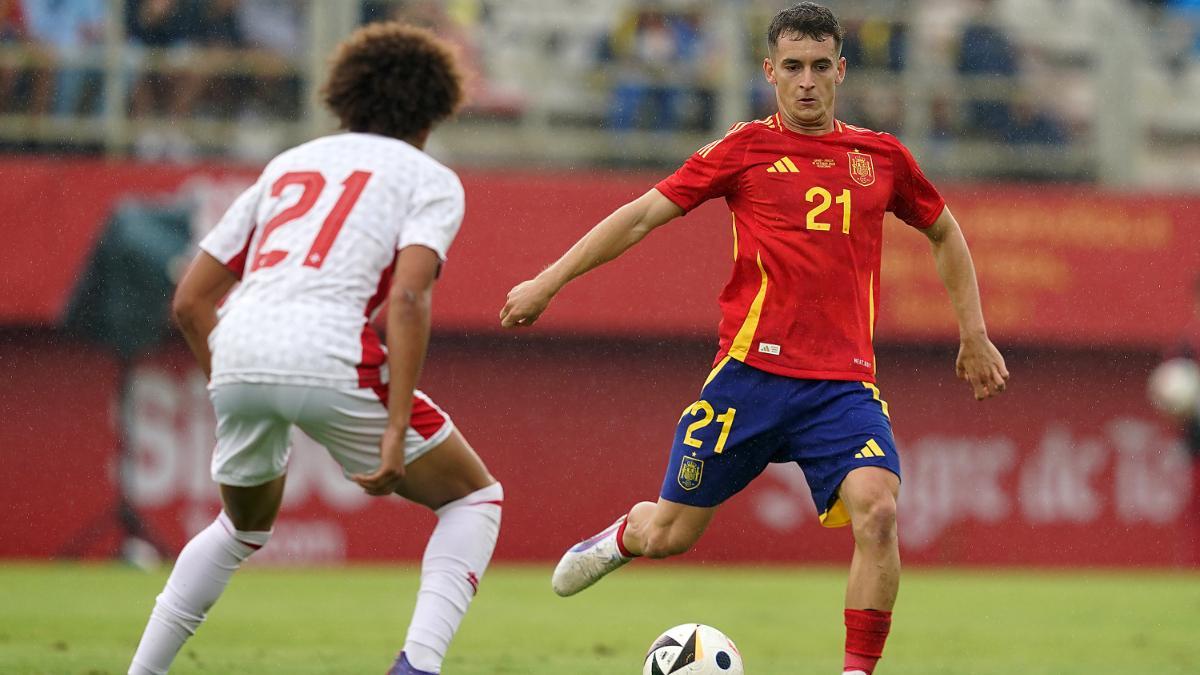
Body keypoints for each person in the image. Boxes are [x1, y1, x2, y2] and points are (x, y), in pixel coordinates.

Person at [499, 4, 1008, 674]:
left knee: (879, 512)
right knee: (671, 534)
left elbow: (944, 229)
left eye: (820, 66)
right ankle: (626, 534)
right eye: (793, 67)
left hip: (841, 387)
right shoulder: (743, 149)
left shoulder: (880, 157)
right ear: (770, 71)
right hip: (749, 379)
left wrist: (974, 333)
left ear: (841, 71)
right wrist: (549, 280)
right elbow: (642, 215)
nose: (807, 81)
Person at [128, 22, 502, 675]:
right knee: (473, 498)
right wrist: (394, 429)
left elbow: (189, 302)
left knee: (239, 527)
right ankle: (416, 666)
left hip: (238, 342)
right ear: (434, 109)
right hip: (332, 346)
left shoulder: (288, 164)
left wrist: (238, 382)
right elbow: (408, 298)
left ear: (343, 97)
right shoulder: (431, 178)